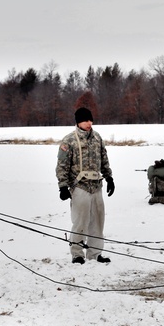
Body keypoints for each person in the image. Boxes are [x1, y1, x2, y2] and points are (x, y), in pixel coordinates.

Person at [56, 107, 114, 264]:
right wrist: (62, 186)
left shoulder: (97, 138)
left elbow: (104, 158)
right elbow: (62, 165)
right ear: (78, 122)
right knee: (80, 221)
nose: (89, 123)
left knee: (98, 221)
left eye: (90, 120)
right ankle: (77, 253)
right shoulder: (69, 140)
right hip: (79, 186)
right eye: (85, 120)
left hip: (96, 186)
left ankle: (95, 253)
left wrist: (109, 178)